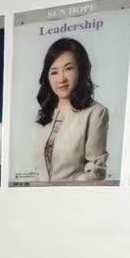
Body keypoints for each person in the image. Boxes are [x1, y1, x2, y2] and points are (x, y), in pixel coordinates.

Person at [30, 38, 109, 183]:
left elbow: (95, 171)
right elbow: (41, 170)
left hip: (74, 195)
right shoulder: (46, 113)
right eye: (54, 72)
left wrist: (68, 192)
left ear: (81, 70)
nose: (61, 79)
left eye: (68, 69)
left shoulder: (96, 112)